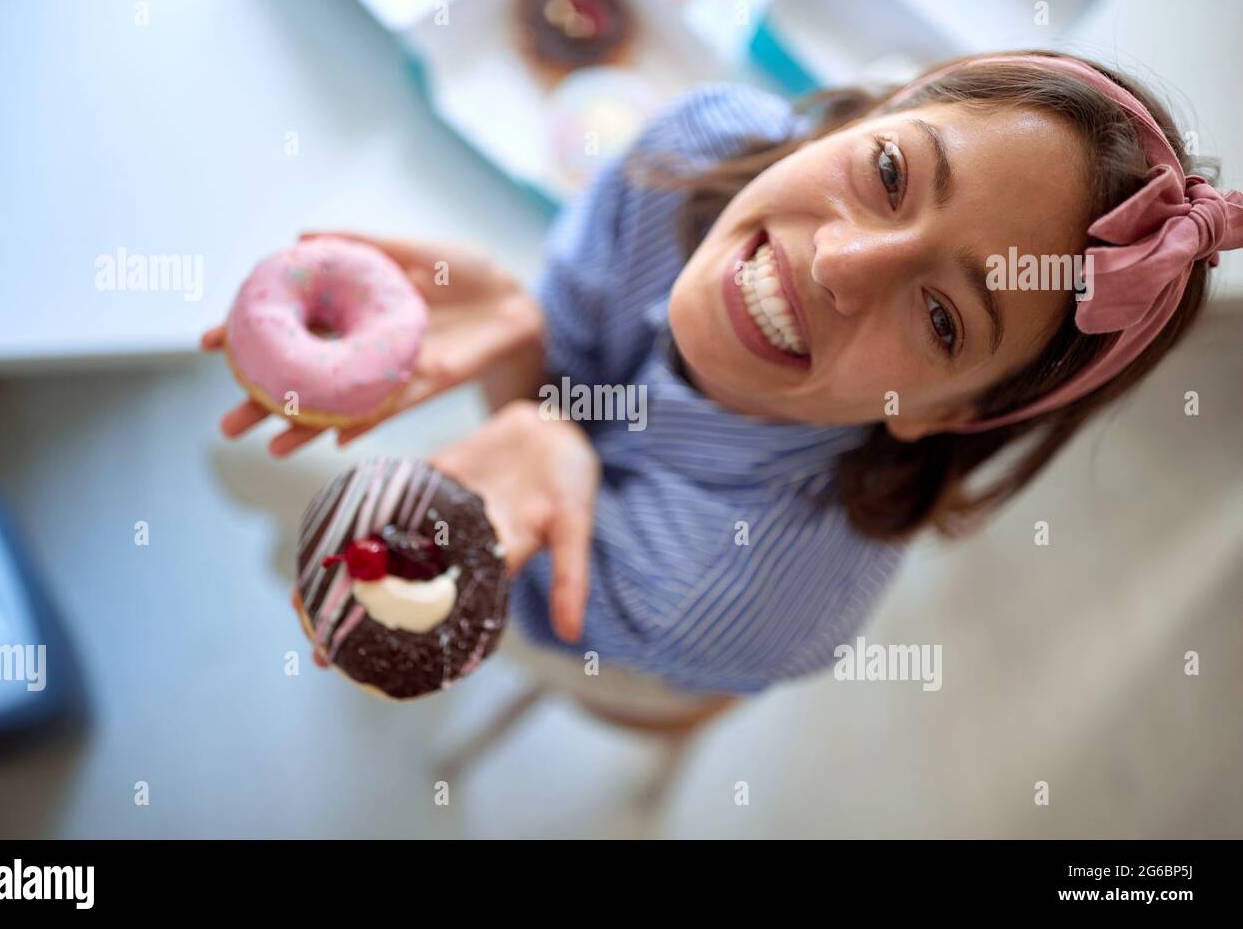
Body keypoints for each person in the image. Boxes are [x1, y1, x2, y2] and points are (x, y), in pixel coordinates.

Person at [202, 51, 1243, 716]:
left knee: (232, 467)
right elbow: (569, 368)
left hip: (637, 656)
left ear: (944, 413)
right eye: (888, 174)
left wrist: (523, 442)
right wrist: (527, 347)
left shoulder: (727, 593)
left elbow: (507, 611)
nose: (838, 265)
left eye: (940, 318)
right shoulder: (696, 138)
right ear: (867, 110)